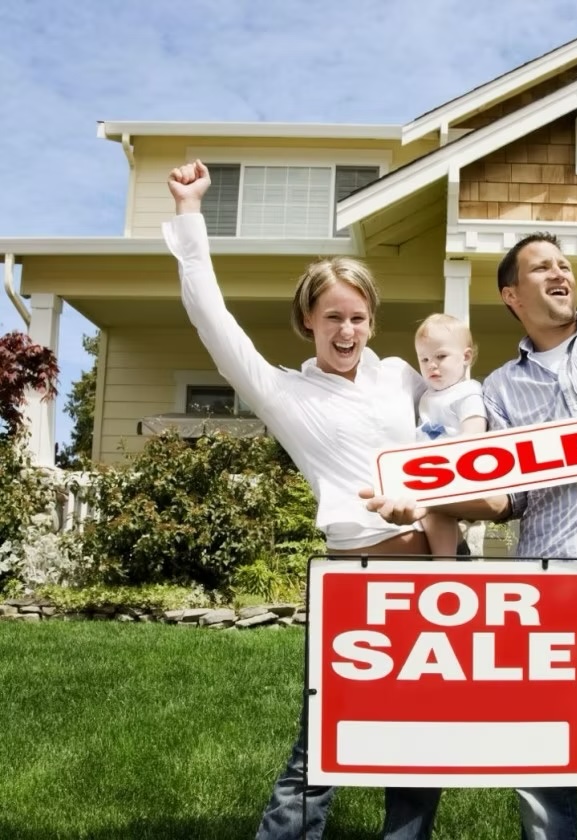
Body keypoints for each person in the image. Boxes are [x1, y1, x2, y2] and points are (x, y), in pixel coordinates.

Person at [364, 42, 577, 840]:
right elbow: (501, 495)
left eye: (564, 264)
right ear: (511, 296)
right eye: (541, 268)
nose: (560, 274)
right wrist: (420, 491)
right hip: (546, 592)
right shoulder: (499, 395)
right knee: (545, 784)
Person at [164, 159, 442, 840]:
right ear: (307, 322)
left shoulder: (402, 377)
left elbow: (452, 439)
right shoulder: (282, 392)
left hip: (437, 575)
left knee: (425, 736)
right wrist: (192, 210)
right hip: (358, 578)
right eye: (331, 319)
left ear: (372, 320)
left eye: (357, 317)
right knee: (326, 736)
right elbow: (210, 316)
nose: (346, 332)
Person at [414, 313, 487, 557]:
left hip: (456, 471)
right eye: (424, 359)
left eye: (440, 356)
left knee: (436, 514)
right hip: (427, 473)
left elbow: (474, 432)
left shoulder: (467, 392)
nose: (431, 365)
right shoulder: (426, 395)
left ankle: (446, 565)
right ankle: (457, 551)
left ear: (465, 357)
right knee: (425, 519)